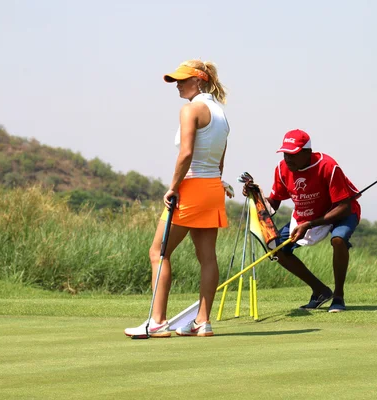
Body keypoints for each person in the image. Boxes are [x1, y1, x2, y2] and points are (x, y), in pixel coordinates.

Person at [124, 59, 231, 338]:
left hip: (192, 188)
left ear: (199, 80)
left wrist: (173, 187)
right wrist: (217, 183)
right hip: (212, 189)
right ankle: (202, 322)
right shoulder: (221, 114)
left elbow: (185, 154)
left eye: (183, 80)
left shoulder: (190, 109)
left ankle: (157, 321)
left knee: (158, 252)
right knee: (207, 257)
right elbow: (219, 161)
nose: (178, 86)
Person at [244, 129, 360, 312]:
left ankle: (338, 296)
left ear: (307, 152)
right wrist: (255, 196)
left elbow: (344, 206)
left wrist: (310, 225)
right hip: (307, 215)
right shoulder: (282, 169)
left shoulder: (328, 166)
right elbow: (273, 205)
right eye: (285, 154)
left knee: (338, 240)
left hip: (340, 212)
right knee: (276, 247)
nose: (288, 159)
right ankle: (320, 291)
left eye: (293, 154)